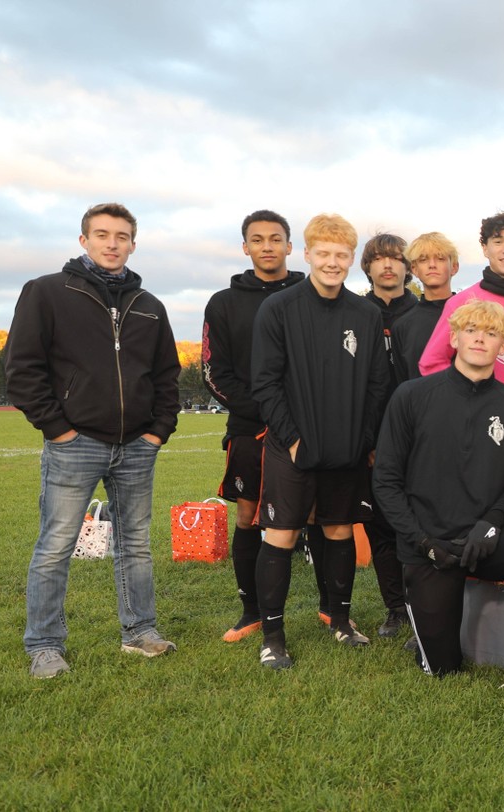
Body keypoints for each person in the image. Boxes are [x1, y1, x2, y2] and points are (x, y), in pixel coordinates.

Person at [6, 202, 181, 678]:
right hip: (74, 442)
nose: (111, 243)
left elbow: (168, 376)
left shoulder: (149, 306)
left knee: (137, 545)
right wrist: (58, 429)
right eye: (102, 234)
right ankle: (44, 645)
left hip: (137, 447)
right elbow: (22, 369)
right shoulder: (46, 292)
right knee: (56, 544)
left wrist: (157, 432)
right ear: (83, 240)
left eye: (121, 236)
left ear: (132, 243)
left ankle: (140, 632)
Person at [373, 300, 504, 707]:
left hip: (482, 539)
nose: (479, 338)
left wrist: (491, 525)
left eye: (490, 333)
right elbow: (384, 482)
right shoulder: (411, 396)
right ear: (454, 338)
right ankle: (426, 629)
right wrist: (422, 543)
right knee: (443, 670)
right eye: (471, 330)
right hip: (428, 545)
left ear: (503, 345)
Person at [251, 213, 389, 668]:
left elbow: (376, 385)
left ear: (352, 260)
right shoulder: (279, 308)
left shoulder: (366, 314)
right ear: (307, 254)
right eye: (323, 254)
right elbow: (265, 382)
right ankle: (273, 636)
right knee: (282, 535)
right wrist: (291, 441)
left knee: (339, 529)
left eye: (341, 255)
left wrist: (363, 439)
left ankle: (341, 622)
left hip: (346, 451)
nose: (332, 263)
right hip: (293, 449)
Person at [201, 210, 327, 643]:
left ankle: (330, 609)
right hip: (251, 428)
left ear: (291, 247)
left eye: (276, 239)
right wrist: (266, 409)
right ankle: (251, 611)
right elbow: (214, 371)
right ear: (246, 248)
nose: (268, 246)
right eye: (258, 240)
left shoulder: (313, 294)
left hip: (308, 428)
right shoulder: (223, 302)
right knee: (248, 514)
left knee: (316, 514)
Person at [418, 211, 504, 537]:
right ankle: (478, 578)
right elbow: (432, 362)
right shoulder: (465, 302)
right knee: (485, 514)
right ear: (484, 248)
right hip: (480, 426)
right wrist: (465, 405)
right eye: (498, 242)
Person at [360, 233, 416, 638]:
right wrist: (369, 440)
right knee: (381, 527)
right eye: (379, 258)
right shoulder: (355, 312)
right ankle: (395, 608)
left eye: (396, 258)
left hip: (421, 438)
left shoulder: (426, 311)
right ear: (368, 266)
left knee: (420, 524)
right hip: (372, 440)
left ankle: (424, 604)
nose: (388, 265)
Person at [391, 232, 461, 384]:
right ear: (415, 269)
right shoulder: (402, 326)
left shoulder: (471, 317)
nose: (432, 265)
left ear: (454, 267)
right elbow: (402, 383)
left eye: (440, 258)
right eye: (423, 260)